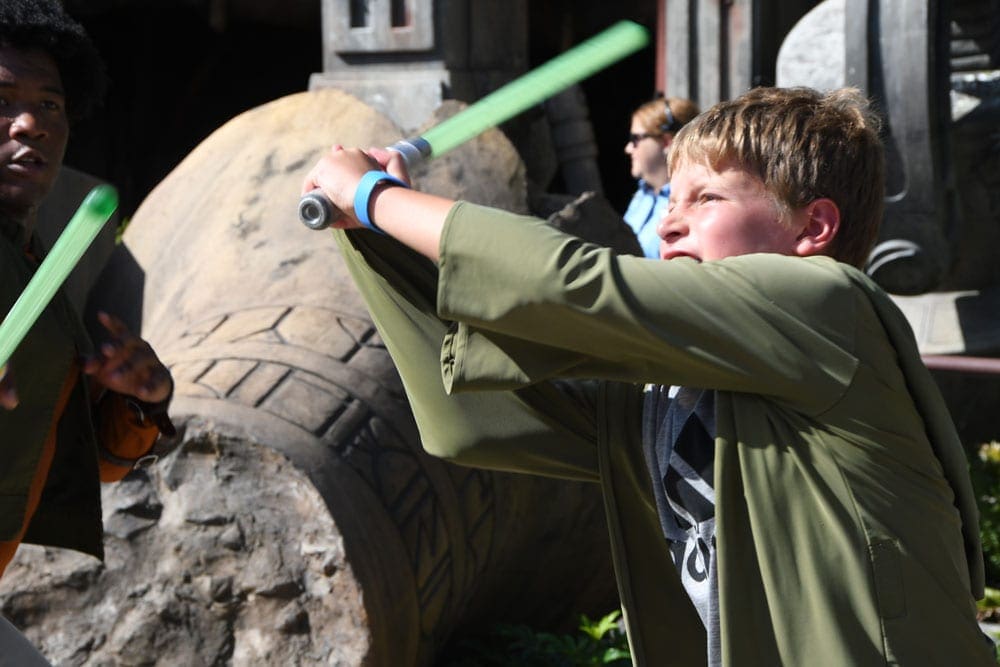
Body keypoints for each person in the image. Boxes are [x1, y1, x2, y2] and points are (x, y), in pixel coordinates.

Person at [301, 86, 994, 666]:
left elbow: (575, 289)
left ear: (813, 227)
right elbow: (471, 415)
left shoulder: (831, 304)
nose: (670, 226)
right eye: (670, 202)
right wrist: (370, 236)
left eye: (707, 200)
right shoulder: (661, 392)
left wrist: (375, 197)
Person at [0, 0, 174, 661]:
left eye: (51, 105)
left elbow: (90, 460)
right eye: (3, 97)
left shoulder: (35, 264)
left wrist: (138, 400)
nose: (32, 124)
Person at [622, 94, 699, 258]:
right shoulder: (642, 194)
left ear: (666, 142)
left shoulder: (691, 203)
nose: (628, 148)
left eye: (635, 139)